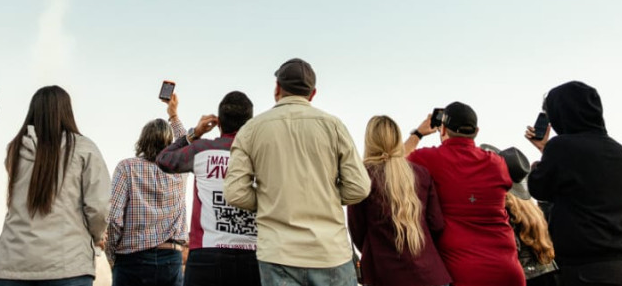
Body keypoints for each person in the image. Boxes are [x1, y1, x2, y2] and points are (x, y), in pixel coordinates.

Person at [224, 58, 370, 286]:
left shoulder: (251, 130)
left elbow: (235, 193)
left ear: (277, 88)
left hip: (278, 253)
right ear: (312, 94)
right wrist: (323, 196)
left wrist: (272, 199)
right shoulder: (333, 126)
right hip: (330, 252)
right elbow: (359, 187)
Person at [525, 81, 622, 286]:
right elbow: (582, 177)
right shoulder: (617, 149)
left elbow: (539, 188)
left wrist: (542, 157)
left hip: (586, 270)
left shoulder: (560, 147)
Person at [0, 86, 110, 286]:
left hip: (11, 263)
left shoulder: (15, 149)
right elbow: (99, 207)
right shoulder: (84, 148)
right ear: (67, 112)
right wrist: (97, 237)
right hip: (67, 265)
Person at [405, 102, 524, 286]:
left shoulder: (430, 159)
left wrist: (418, 133)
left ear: (442, 129)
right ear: (476, 131)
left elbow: (395, 162)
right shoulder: (497, 163)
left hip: (463, 272)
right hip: (508, 270)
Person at [156, 91, 260, 286]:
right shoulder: (263, 155)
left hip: (206, 256)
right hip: (253, 257)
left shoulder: (202, 149)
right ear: (250, 124)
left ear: (218, 123)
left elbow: (164, 160)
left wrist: (194, 133)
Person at [348, 116, 451, 286]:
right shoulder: (421, 174)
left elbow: (357, 233)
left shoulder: (363, 178)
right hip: (431, 276)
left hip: (385, 276)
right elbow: (437, 225)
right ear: (397, 140)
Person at [107, 93, 188, 286]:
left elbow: (113, 219)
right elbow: (186, 142)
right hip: (170, 258)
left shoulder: (126, 168)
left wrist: (112, 257)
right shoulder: (179, 170)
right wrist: (173, 115)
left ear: (142, 140)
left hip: (131, 260)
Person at [481, 144, 559, 286]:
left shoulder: (504, 208)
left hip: (524, 277)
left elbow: (508, 250)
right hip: (548, 272)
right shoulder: (531, 208)